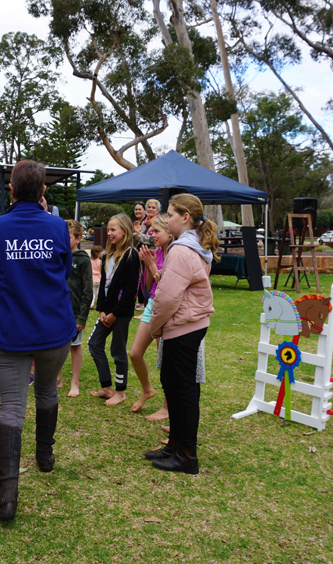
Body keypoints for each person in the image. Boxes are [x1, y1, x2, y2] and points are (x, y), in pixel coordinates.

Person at [0, 160, 76, 521]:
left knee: (12, 407)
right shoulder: (58, 226)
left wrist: (9, 281)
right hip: (54, 329)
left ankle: (9, 496)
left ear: (11, 190)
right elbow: (64, 270)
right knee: (47, 391)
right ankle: (44, 456)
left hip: (11, 331)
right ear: (43, 191)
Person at [146, 194, 218, 475]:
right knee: (175, 386)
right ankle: (174, 446)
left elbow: (167, 299)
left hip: (182, 327)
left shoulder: (181, 250)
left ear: (185, 218)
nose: (167, 218)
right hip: (187, 325)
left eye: (171, 214)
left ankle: (186, 455)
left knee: (183, 390)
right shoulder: (193, 246)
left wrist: (154, 327)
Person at [88, 213, 140, 406]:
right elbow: (103, 285)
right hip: (106, 312)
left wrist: (115, 313)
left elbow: (130, 290)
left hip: (121, 313)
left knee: (118, 351)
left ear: (124, 232)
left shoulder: (131, 256)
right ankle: (106, 387)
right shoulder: (107, 255)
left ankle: (121, 391)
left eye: (113, 229)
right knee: (94, 344)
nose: (109, 233)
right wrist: (101, 309)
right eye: (108, 229)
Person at [129, 214, 174, 413]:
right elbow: (149, 286)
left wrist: (154, 265)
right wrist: (148, 264)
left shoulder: (175, 254)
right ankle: (147, 390)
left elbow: (168, 287)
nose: (152, 235)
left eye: (157, 231)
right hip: (152, 305)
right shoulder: (156, 253)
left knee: (164, 360)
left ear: (170, 232)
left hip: (166, 309)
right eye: (151, 231)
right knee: (135, 353)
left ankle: (167, 406)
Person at [64, 220, 93, 398]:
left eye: (67, 237)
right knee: (57, 346)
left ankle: (74, 383)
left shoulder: (83, 259)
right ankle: (57, 379)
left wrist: (81, 318)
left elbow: (87, 290)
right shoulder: (58, 256)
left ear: (78, 238)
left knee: (75, 346)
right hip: (57, 312)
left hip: (74, 313)